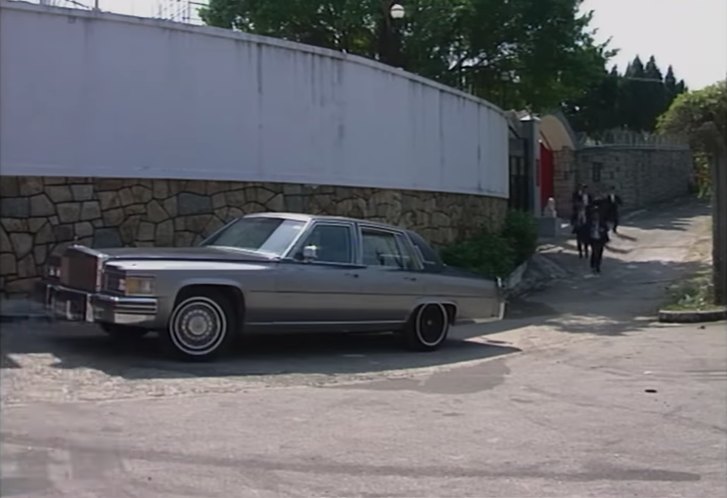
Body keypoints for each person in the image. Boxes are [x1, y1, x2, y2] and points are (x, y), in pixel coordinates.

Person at [587, 207, 610, 274]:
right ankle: (593, 265)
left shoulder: (602, 222)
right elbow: (587, 230)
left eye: (597, 215)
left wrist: (602, 230)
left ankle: (597, 265)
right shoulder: (590, 222)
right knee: (595, 252)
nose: (596, 217)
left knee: (599, 253)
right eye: (595, 215)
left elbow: (606, 228)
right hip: (593, 239)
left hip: (600, 239)